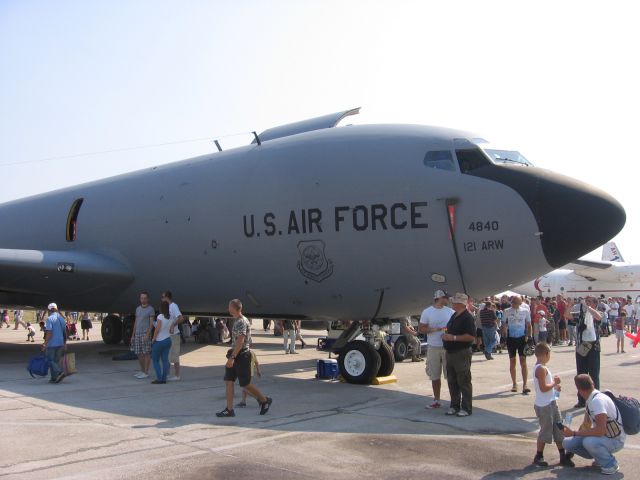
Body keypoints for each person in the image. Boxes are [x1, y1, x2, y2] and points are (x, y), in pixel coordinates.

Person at [216, 299, 272, 418]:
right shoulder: (237, 320)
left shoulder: (242, 321)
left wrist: (232, 357)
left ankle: (264, 400)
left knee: (245, 384)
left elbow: (240, 341)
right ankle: (229, 410)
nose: (228, 309)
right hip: (235, 354)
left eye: (229, 307)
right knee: (229, 381)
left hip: (241, 355)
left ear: (235, 308)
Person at [562, 374, 625, 475]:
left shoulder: (598, 401)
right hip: (605, 437)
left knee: (589, 442)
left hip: (615, 440)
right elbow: (586, 424)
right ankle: (601, 458)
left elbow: (600, 430)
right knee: (567, 443)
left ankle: (610, 464)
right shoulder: (590, 399)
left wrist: (573, 433)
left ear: (578, 389)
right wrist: (572, 438)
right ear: (593, 384)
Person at [531, 342, 574, 467]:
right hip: (545, 406)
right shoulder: (540, 369)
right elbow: (544, 388)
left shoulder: (542, 368)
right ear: (546, 354)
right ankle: (538, 455)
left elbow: (546, 390)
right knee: (545, 431)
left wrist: (555, 391)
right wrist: (554, 383)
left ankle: (562, 455)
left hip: (550, 403)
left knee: (559, 429)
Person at [418, 290, 455, 409]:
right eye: (446, 297)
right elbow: (421, 329)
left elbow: (456, 326)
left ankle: (454, 401)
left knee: (450, 375)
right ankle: (436, 400)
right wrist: (432, 330)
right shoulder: (427, 312)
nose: (447, 300)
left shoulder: (450, 311)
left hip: (447, 347)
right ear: (440, 298)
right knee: (434, 375)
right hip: (433, 347)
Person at [441, 293, 476, 417]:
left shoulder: (467, 317)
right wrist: (446, 335)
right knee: (452, 380)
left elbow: (471, 336)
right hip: (450, 352)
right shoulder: (454, 315)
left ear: (460, 303)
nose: (452, 303)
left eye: (454, 301)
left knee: (464, 380)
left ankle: (466, 408)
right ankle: (454, 405)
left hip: (461, 352)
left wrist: (453, 337)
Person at [502, 295, 532, 394]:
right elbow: (504, 324)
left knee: (523, 361)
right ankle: (514, 384)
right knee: (512, 361)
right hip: (511, 338)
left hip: (522, 338)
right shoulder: (506, 311)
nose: (514, 304)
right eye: (513, 302)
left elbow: (529, 324)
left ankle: (525, 385)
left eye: (516, 302)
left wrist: (530, 337)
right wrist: (503, 336)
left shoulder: (525, 311)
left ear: (520, 303)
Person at [131, 292, 155, 379]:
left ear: (148, 299)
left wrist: (148, 334)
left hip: (145, 334)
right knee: (139, 353)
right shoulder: (138, 309)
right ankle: (142, 371)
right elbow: (136, 322)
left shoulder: (150, 309)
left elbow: (151, 323)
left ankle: (146, 372)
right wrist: (133, 335)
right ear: (140, 299)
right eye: (142, 298)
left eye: (145, 298)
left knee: (146, 353)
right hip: (137, 333)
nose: (143, 300)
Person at [161, 291, 184, 381]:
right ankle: (166, 374)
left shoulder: (173, 306)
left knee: (174, 356)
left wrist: (173, 325)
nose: (161, 299)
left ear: (167, 297)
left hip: (174, 335)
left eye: (162, 297)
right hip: (166, 335)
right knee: (166, 355)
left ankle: (177, 375)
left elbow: (181, 318)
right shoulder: (165, 308)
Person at [42, 303, 67, 384]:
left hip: (52, 343)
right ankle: (54, 378)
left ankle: (60, 372)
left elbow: (49, 333)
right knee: (55, 361)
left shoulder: (49, 319)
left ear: (49, 310)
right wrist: (65, 343)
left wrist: (45, 344)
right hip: (60, 343)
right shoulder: (62, 319)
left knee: (50, 360)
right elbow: (64, 332)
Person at [150, 301, 173, 384]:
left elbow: (157, 329)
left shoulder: (160, 316)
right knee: (165, 360)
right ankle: (164, 378)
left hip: (159, 340)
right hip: (168, 339)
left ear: (161, 308)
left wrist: (153, 339)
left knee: (155, 360)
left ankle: (159, 378)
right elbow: (171, 329)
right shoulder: (171, 317)